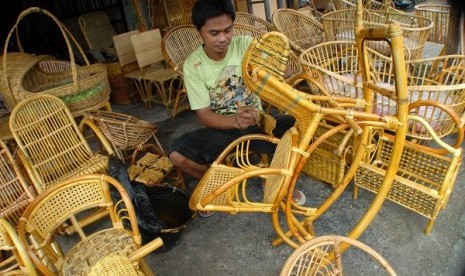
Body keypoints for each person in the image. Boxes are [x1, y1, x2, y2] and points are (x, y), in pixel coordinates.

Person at [168, 0, 306, 207]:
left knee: (304, 124)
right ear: (199, 32)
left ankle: (275, 177)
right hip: (223, 128)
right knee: (177, 155)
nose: (223, 39)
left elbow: (281, 72)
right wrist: (234, 121)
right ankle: (221, 184)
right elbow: (204, 115)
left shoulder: (245, 45)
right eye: (214, 33)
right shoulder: (193, 65)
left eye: (228, 30)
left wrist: (291, 76)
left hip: (259, 121)